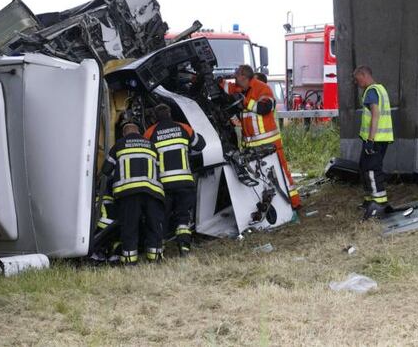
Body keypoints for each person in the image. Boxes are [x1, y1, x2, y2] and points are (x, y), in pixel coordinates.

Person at [219, 65, 300, 208]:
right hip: (252, 145)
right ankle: (274, 206)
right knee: (259, 176)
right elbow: (228, 88)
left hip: (269, 144)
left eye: (236, 76)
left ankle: (294, 203)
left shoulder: (262, 88)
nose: (235, 79)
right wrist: (217, 81)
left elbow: (265, 108)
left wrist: (245, 102)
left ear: (244, 77)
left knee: (280, 173)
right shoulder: (242, 88)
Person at [144, 104, 206, 256]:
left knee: (162, 216)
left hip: (163, 184)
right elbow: (200, 145)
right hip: (184, 181)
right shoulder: (184, 128)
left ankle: (160, 249)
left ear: (155, 117)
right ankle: (184, 248)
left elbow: (145, 157)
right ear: (170, 114)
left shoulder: (150, 132)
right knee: (183, 215)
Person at [101, 123, 165, 265]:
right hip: (152, 192)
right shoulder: (151, 145)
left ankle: (130, 261)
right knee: (153, 226)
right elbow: (159, 168)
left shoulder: (119, 145)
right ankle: (154, 259)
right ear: (139, 133)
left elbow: (106, 170)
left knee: (130, 227)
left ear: (124, 134)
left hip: (128, 193)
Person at [352, 66, 394, 220]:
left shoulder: (371, 91)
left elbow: (375, 116)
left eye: (358, 79)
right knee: (364, 166)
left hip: (375, 140)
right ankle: (370, 200)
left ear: (364, 75)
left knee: (371, 169)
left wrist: (370, 140)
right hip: (379, 138)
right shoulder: (380, 89)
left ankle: (379, 202)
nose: (357, 83)